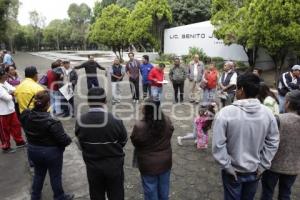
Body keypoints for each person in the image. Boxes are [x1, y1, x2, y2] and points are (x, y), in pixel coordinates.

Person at [212, 73, 280, 200]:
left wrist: (227, 166)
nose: (235, 91)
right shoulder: (268, 114)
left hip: (233, 172)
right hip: (255, 171)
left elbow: (218, 145)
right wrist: (263, 165)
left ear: (241, 90)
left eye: (236, 88)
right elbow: (273, 142)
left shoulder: (225, 113)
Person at [75, 87, 127, 200]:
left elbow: (80, 143)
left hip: (93, 166)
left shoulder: (80, 120)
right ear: (104, 101)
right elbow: (123, 141)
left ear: (88, 101)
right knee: (116, 194)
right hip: (114, 165)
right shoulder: (115, 120)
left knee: (96, 194)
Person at [20, 90, 73, 200]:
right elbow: (64, 140)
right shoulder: (52, 121)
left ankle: (35, 196)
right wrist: (69, 139)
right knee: (55, 176)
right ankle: (59, 196)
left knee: (38, 174)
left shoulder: (26, 115)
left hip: (33, 150)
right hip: (51, 153)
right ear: (48, 104)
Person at [131, 98, 174, 200]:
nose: (141, 106)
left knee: (151, 191)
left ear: (146, 110)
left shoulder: (140, 126)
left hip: (148, 165)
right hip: (165, 162)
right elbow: (170, 132)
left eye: (143, 105)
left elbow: (135, 141)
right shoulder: (167, 121)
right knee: (164, 189)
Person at [260, 90, 300, 200]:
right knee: (285, 194)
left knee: (267, 193)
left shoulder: (278, 119)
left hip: (273, 165)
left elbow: (266, 141)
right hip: (293, 167)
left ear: (287, 103)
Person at [0, 68, 26, 153]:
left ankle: (19, 142)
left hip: (11, 109)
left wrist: (12, 92)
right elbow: (7, 97)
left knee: (16, 126)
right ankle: (6, 147)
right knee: (4, 131)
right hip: (2, 112)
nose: (6, 75)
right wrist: (12, 94)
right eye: (4, 74)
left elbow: (14, 89)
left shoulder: (5, 83)